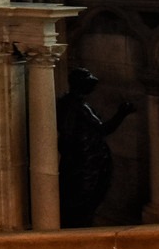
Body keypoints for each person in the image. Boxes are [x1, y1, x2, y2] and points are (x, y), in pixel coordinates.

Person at [57, 68, 136, 228]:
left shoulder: (65, 102)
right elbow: (103, 129)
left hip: (77, 158)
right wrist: (122, 113)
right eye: (89, 83)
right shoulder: (80, 107)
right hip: (85, 160)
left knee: (77, 197)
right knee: (84, 199)